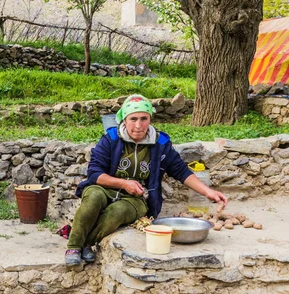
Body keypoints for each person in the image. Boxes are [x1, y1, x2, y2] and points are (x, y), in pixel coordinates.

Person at [65, 94, 228, 265]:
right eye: (133, 118)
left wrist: (208, 192)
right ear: (124, 120)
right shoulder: (111, 139)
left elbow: (181, 171)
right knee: (93, 198)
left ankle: (86, 243)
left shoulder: (160, 143)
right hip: (104, 187)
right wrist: (123, 183)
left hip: (137, 198)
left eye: (144, 118)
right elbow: (94, 174)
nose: (138, 125)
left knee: (117, 213)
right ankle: (74, 246)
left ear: (150, 119)